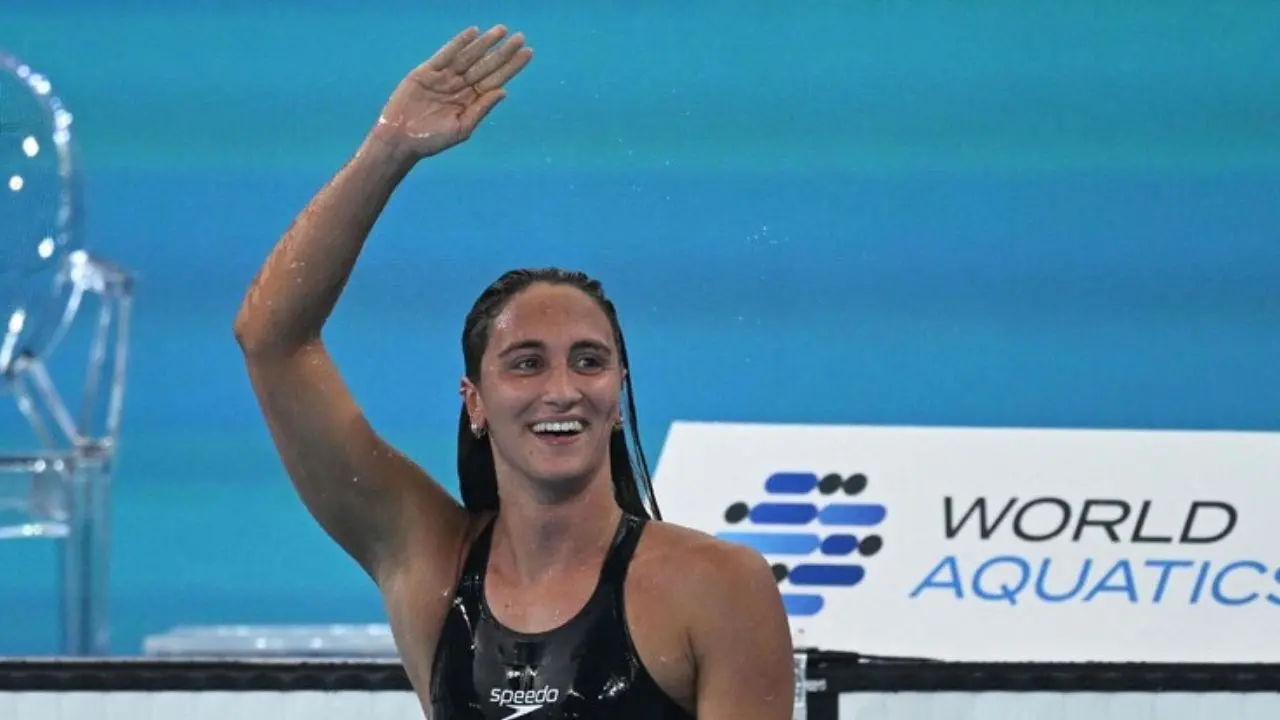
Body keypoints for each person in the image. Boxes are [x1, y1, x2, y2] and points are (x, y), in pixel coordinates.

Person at [233, 24, 795, 719]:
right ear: (475, 401)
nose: (561, 389)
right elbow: (272, 341)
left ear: (617, 395)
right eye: (526, 364)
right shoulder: (430, 566)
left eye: (588, 361)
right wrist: (389, 150)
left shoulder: (715, 589)